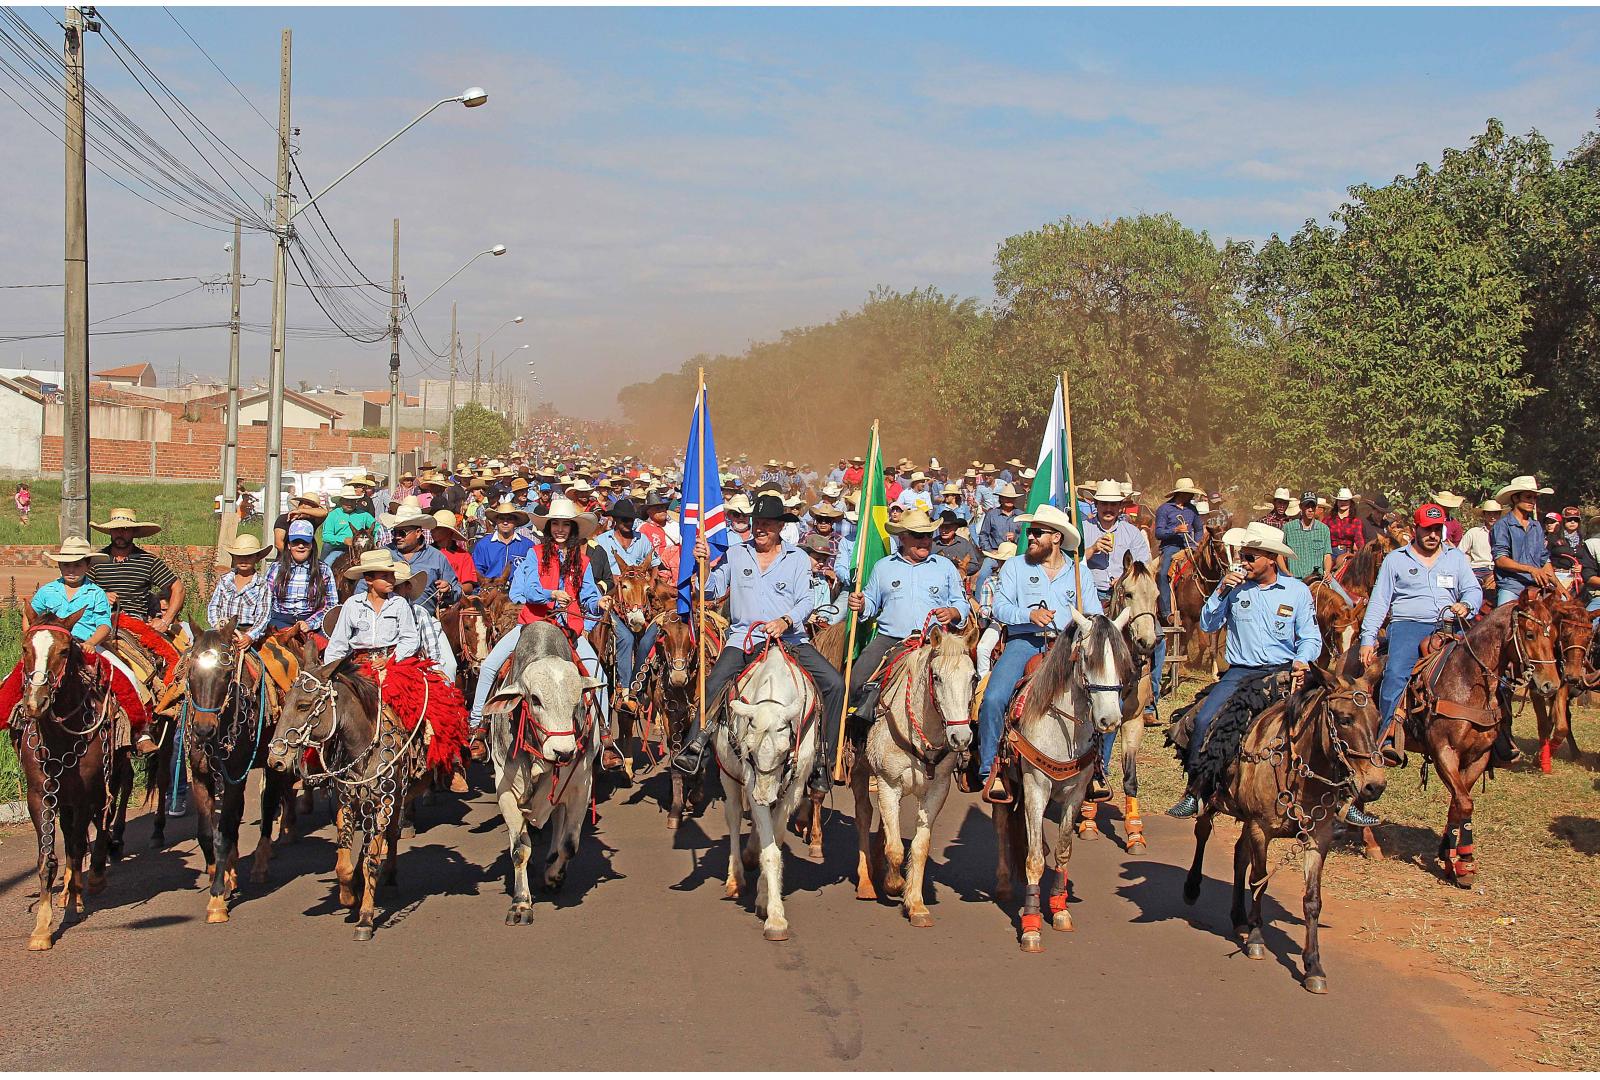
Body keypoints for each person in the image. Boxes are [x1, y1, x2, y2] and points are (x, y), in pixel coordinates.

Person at [672, 493, 846, 793]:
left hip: (790, 638)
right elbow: (710, 590)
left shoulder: (798, 558)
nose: (760, 529)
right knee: (713, 684)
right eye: (756, 523)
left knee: (835, 685)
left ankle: (823, 760)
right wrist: (702, 566)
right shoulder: (735, 554)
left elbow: (806, 599)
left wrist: (786, 621)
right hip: (744, 638)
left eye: (766, 524)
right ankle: (694, 747)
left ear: (780, 526)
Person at [1166, 522, 1324, 820]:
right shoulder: (1233, 590)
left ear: (1271, 558)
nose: (1244, 563)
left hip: (1286, 671)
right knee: (1203, 720)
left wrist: (1303, 660)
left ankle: (1339, 798)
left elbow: (1310, 637)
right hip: (1240, 672)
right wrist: (1222, 591)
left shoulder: (1297, 591)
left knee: (1332, 719)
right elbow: (1209, 624)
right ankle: (1197, 791)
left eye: (1251, 557)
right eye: (1242, 556)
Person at [975, 505, 1098, 789]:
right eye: (1030, 532)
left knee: (1104, 701)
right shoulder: (1016, 566)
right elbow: (1000, 608)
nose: (1030, 537)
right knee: (993, 698)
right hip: (1024, 641)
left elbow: (1093, 613)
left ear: (1056, 538)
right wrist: (1027, 615)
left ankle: (1096, 769)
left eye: (1037, 532)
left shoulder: (1079, 572)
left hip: (1068, 646)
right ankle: (989, 767)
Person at [1360, 503, 1483, 763]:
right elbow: (1380, 601)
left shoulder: (1455, 557)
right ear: (1416, 529)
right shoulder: (1396, 559)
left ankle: (1498, 733)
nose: (1433, 536)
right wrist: (1368, 638)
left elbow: (1473, 590)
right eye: (1427, 530)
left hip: (1450, 623)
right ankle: (1388, 735)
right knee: (1395, 673)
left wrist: (1467, 605)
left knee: (1487, 667)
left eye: (1437, 530)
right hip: (1408, 624)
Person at [843, 506, 968, 734]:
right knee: (853, 681)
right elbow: (871, 603)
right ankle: (855, 737)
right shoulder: (883, 567)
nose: (925, 541)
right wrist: (861, 605)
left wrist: (952, 613)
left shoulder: (945, 567)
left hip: (935, 644)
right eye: (918, 536)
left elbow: (962, 604)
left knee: (961, 682)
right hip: (890, 639)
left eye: (928, 535)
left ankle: (964, 739)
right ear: (903, 537)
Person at [22, 537, 154, 752]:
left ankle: (141, 730)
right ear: (59, 565)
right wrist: (30, 637)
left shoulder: (96, 593)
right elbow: (30, 615)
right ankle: (13, 721)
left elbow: (104, 625)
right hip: (51, 648)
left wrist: (93, 642)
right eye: (66, 565)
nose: (71, 569)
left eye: (77, 564)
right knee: (14, 677)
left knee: (126, 675)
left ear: (87, 566)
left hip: (85, 645)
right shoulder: (47, 591)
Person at [590, 497, 658, 711]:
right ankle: (624, 688)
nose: (628, 523)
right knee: (626, 638)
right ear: (615, 520)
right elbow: (597, 572)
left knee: (652, 634)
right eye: (624, 519)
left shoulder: (643, 540)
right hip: (614, 596)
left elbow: (654, 565)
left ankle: (639, 680)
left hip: (639, 596)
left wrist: (650, 584)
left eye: (631, 519)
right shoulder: (602, 541)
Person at [88, 507, 183, 631]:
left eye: (125, 529)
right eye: (116, 529)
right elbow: (79, 590)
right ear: (110, 531)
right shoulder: (96, 560)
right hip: (99, 622)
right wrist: (101, 596)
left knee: (168, 649)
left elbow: (178, 588)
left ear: (133, 532)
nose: (120, 533)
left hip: (136, 624)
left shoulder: (148, 561)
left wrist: (166, 621)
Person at [324, 550, 421, 667]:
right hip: (360, 665)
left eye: (392, 575)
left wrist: (391, 659)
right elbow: (338, 641)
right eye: (385, 576)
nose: (392, 580)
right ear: (369, 580)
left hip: (393, 662)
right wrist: (330, 667)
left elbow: (410, 638)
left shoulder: (399, 603)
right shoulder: (352, 604)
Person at [362, 510, 459, 616]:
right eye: (395, 532)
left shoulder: (437, 557)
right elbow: (363, 586)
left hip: (424, 621)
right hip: (385, 620)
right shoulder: (382, 554)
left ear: (418, 533)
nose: (397, 537)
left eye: (402, 533)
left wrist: (448, 589)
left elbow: (457, 590)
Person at [1489, 475, 1557, 605]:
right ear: (1515, 498)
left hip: (1536, 586)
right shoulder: (1502, 525)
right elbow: (1501, 560)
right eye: (1528, 497)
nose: (1532, 501)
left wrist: (1559, 587)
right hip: (1511, 586)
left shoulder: (1536, 526)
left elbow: (1545, 560)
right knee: (1505, 617)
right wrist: (1531, 569)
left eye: (1534, 497)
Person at [263, 519, 337, 636]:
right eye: (296, 542)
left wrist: (310, 623)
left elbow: (331, 605)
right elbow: (265, 601)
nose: (301, 546)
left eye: (305, 542)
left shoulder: (324, 570)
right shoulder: (276, 568)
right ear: (288, 545)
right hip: (279, 621)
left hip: (312, 622)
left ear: (312, 545)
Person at [206, 534, 273, 647]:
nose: (244, 560)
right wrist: (217, 625)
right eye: (240, 556)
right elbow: (214, 606)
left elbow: (263, 615)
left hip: (246, 633)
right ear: (234, 557)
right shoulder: (225, 580)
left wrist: (250, 636)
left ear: (257, 558)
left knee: (267, 661)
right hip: (222, 630)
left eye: (249, 556)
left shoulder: (261, 585)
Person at [1154, 477, 1204, 627]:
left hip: (1190, 546)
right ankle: (1166, 612)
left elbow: (1199, 529)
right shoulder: (1164, 509)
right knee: (1163, 574)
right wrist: (1175, 530)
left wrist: (1197, 544)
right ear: (1180, 493)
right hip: (1171, 548)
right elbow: (1159, 533)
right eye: (1189, 493)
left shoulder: (1192, 509)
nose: (1192, 496)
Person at [973, 540, 1016, 680]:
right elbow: (985, 608)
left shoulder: (1020, 581)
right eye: (1002, 562)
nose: (1004, 565)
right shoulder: (990, 582)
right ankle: (983, 679)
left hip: (1018, 622)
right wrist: (985, 612)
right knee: (983, 648)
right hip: (999, 622)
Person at [1548, 506, 1600, 612]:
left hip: (1577, 577)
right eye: (1569, 519)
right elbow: (1545, 557)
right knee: (1561, 604)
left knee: (1580, 606)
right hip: (1558, 575)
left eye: (1575, 519)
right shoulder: (1552, 538)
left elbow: (1586, 560)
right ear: (1563, 521)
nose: (1572, 522)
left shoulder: (1583, 539)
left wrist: (1580, 565)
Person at [473, 501, 535, 583]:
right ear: (496, 521)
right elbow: (477, 571)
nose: (505, 522)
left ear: (515, 522)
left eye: (509, 519)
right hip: (490, 589)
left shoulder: (527, 546)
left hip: (519, 592)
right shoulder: (483, 545)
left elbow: (532, 573)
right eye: (502, 519)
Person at [321, 486, 377, 568]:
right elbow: (326, 536)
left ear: (356, 501)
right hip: (339, 549)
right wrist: (343, 540)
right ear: (341, 501)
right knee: (326, 566)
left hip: (362, 548)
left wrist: (375, 540)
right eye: (347, 500)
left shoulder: (364, 515)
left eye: (352, 501)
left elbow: (377, 527)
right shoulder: (333, 515)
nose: (350, 503)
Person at [1283, 491, 1334, 580]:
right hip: (1295, 579)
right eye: (1307, 506)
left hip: (1317, 579)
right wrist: (1285, 571)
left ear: (1316, 507)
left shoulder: (1324, 529)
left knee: (1340, 592)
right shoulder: (1288, 528)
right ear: (1300, 507)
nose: (1310, 509)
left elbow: (1327, 555)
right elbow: (1279, 554)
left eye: (1313, 506)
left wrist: (1327, 571)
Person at [1459, 499, 1502, 598]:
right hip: (1476, 570)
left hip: (1497, 569)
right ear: (1484, 515)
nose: (1492, 517)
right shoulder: (1473, 532)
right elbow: (1459, 553)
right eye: (1489, 514)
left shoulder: (1505, 534)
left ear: (1499, 515)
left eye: (1495, 514)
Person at [430, 510, 479, 595]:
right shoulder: (425, 552)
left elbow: (468, 586)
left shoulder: (464, 556)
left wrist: (451, 589)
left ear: (448, 531)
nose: (432, 531)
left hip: (455, 602)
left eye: (437, 528)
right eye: (432, 528)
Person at [1325, 487, 1366, 560]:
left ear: (1350, 502)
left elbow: (1359, 539)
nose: (1343, 503)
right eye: (1340, 501)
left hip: (1348, 553)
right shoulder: (1328, 520)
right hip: (1330, 553)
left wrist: (1362, 552)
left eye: (1346, 501)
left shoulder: (1356, 521)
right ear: (1337, 502)